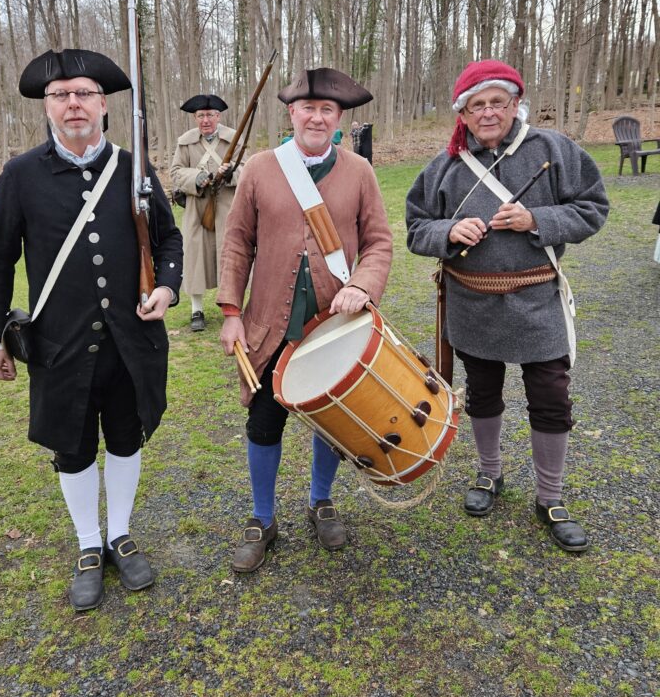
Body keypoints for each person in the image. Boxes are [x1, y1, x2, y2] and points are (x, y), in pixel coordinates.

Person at [0, 49, 183, 611]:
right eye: (61, 95)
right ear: (47, 107)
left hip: (129, 338)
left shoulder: (133, 165)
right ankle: (88, 545)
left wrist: (166, 287)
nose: (73, 103)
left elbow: (169, 239)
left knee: (125, 436)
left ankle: (119, 532)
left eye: (84, 93)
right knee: (72, 447)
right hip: (59, 343)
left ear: (102, 104)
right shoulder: (21, 175)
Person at [406, 59, 609, 552]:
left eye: (498, 102)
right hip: (472, 301)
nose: (489, 113)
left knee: (551, 397)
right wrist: (448, 232)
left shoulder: (553, 150)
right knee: (481, 392)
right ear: (464, 114)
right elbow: (416, 227)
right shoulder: (445, 166)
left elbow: (593, 208)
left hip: (538, 298)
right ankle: (489, 474)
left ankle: (551, 496)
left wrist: (535, 218)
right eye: (478, 105)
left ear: (516, 104)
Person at [217, 67, 393, 572]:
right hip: (268, 323)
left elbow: (379, 242)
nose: (317, 117)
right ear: (292, 113)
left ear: (339, 119)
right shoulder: (260, 167)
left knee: (334, 419)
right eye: (308, 109)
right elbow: (236, 242)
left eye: (328, 110)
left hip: (333, 321)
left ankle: (320, 501)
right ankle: (262, 518)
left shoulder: (359, 171)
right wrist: (231, 311)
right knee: (264, 422)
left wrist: (361, 285)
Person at [170, 95, 240, 331]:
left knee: (229, 255)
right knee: (195, 256)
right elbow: (176, 172)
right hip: (197, 208)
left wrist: (230, 174)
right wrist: (197, 178)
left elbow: (247, 169)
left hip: (226, 206)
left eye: (210, 115)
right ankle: (196, 310)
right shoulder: (185, 142)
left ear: (218, 116)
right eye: (201, 116)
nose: (205, 120)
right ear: (195, 118)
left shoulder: (233, 139)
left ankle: (231, 306)